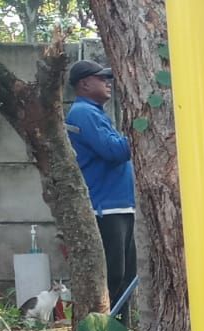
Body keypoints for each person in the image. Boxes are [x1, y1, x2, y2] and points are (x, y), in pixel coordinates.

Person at [65, 59, 136, 314]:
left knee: (126, 277)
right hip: (105, 209)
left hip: (118, 206)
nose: (108, 83)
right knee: (114, 277)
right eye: (101, 78)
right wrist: (139, 133)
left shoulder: (95, 113)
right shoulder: (84, 113)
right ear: (84, 84)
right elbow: (114, 150)